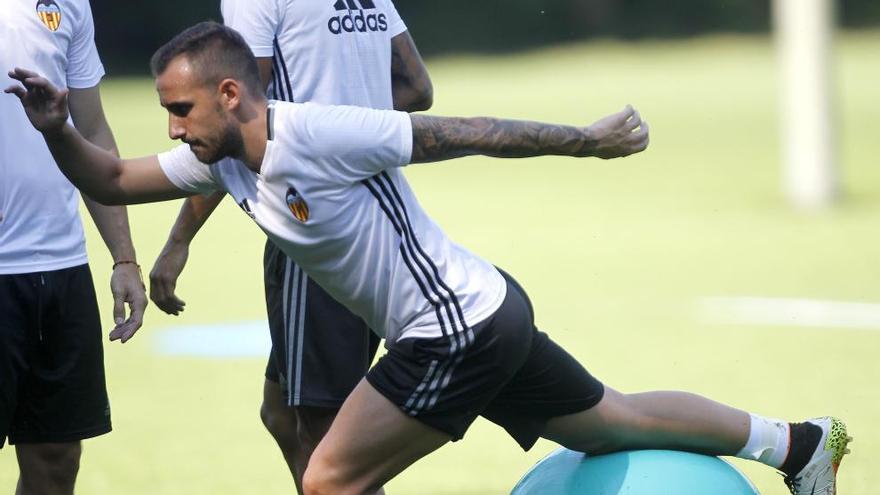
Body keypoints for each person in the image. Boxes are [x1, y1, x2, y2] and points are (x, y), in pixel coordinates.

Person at [6, 22, 850, 495]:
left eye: (181, 107)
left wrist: (586, 142)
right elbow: (112, 176)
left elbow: (466, 131)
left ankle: (797, 443)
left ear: (231, 93)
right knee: (611, 420)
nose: (172, 127)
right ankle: (801, 442)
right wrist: (56, 128)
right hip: (484, 310)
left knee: (329, 477)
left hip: (454, 329)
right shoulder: (218, 156)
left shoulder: (318, 133)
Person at [146, 0, 431, 489]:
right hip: (376, 213)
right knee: (280, 412)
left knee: (324, 435)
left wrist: (178, 240)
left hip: (311, 225)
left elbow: (231, 124)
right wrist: (352, 136)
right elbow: (416, 87)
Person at [0, 1, 148, 494]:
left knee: (57, 458)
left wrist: (123, 257)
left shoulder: (69, 5)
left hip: (62, 265)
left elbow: (91, 130)